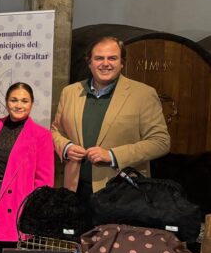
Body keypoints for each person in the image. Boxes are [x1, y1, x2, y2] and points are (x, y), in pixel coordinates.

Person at [51, 36, 171, 201]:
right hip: (75, 190)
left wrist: (113, 155)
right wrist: (66, 147)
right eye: (99, 58)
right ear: (89, 63)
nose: (105, 63)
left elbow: (160, 142)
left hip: (122, 192)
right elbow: (56, 131)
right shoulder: (70, 92)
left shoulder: (143, 94)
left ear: (122, 63)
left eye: (112, 58)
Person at [0, 82, 55, 253]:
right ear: (6, 102)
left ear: (32, 103)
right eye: (14, 100)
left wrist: (32, 211)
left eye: (24, 101)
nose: (19, 105)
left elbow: (44, 181)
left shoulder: (41, 135)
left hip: (16, 201)